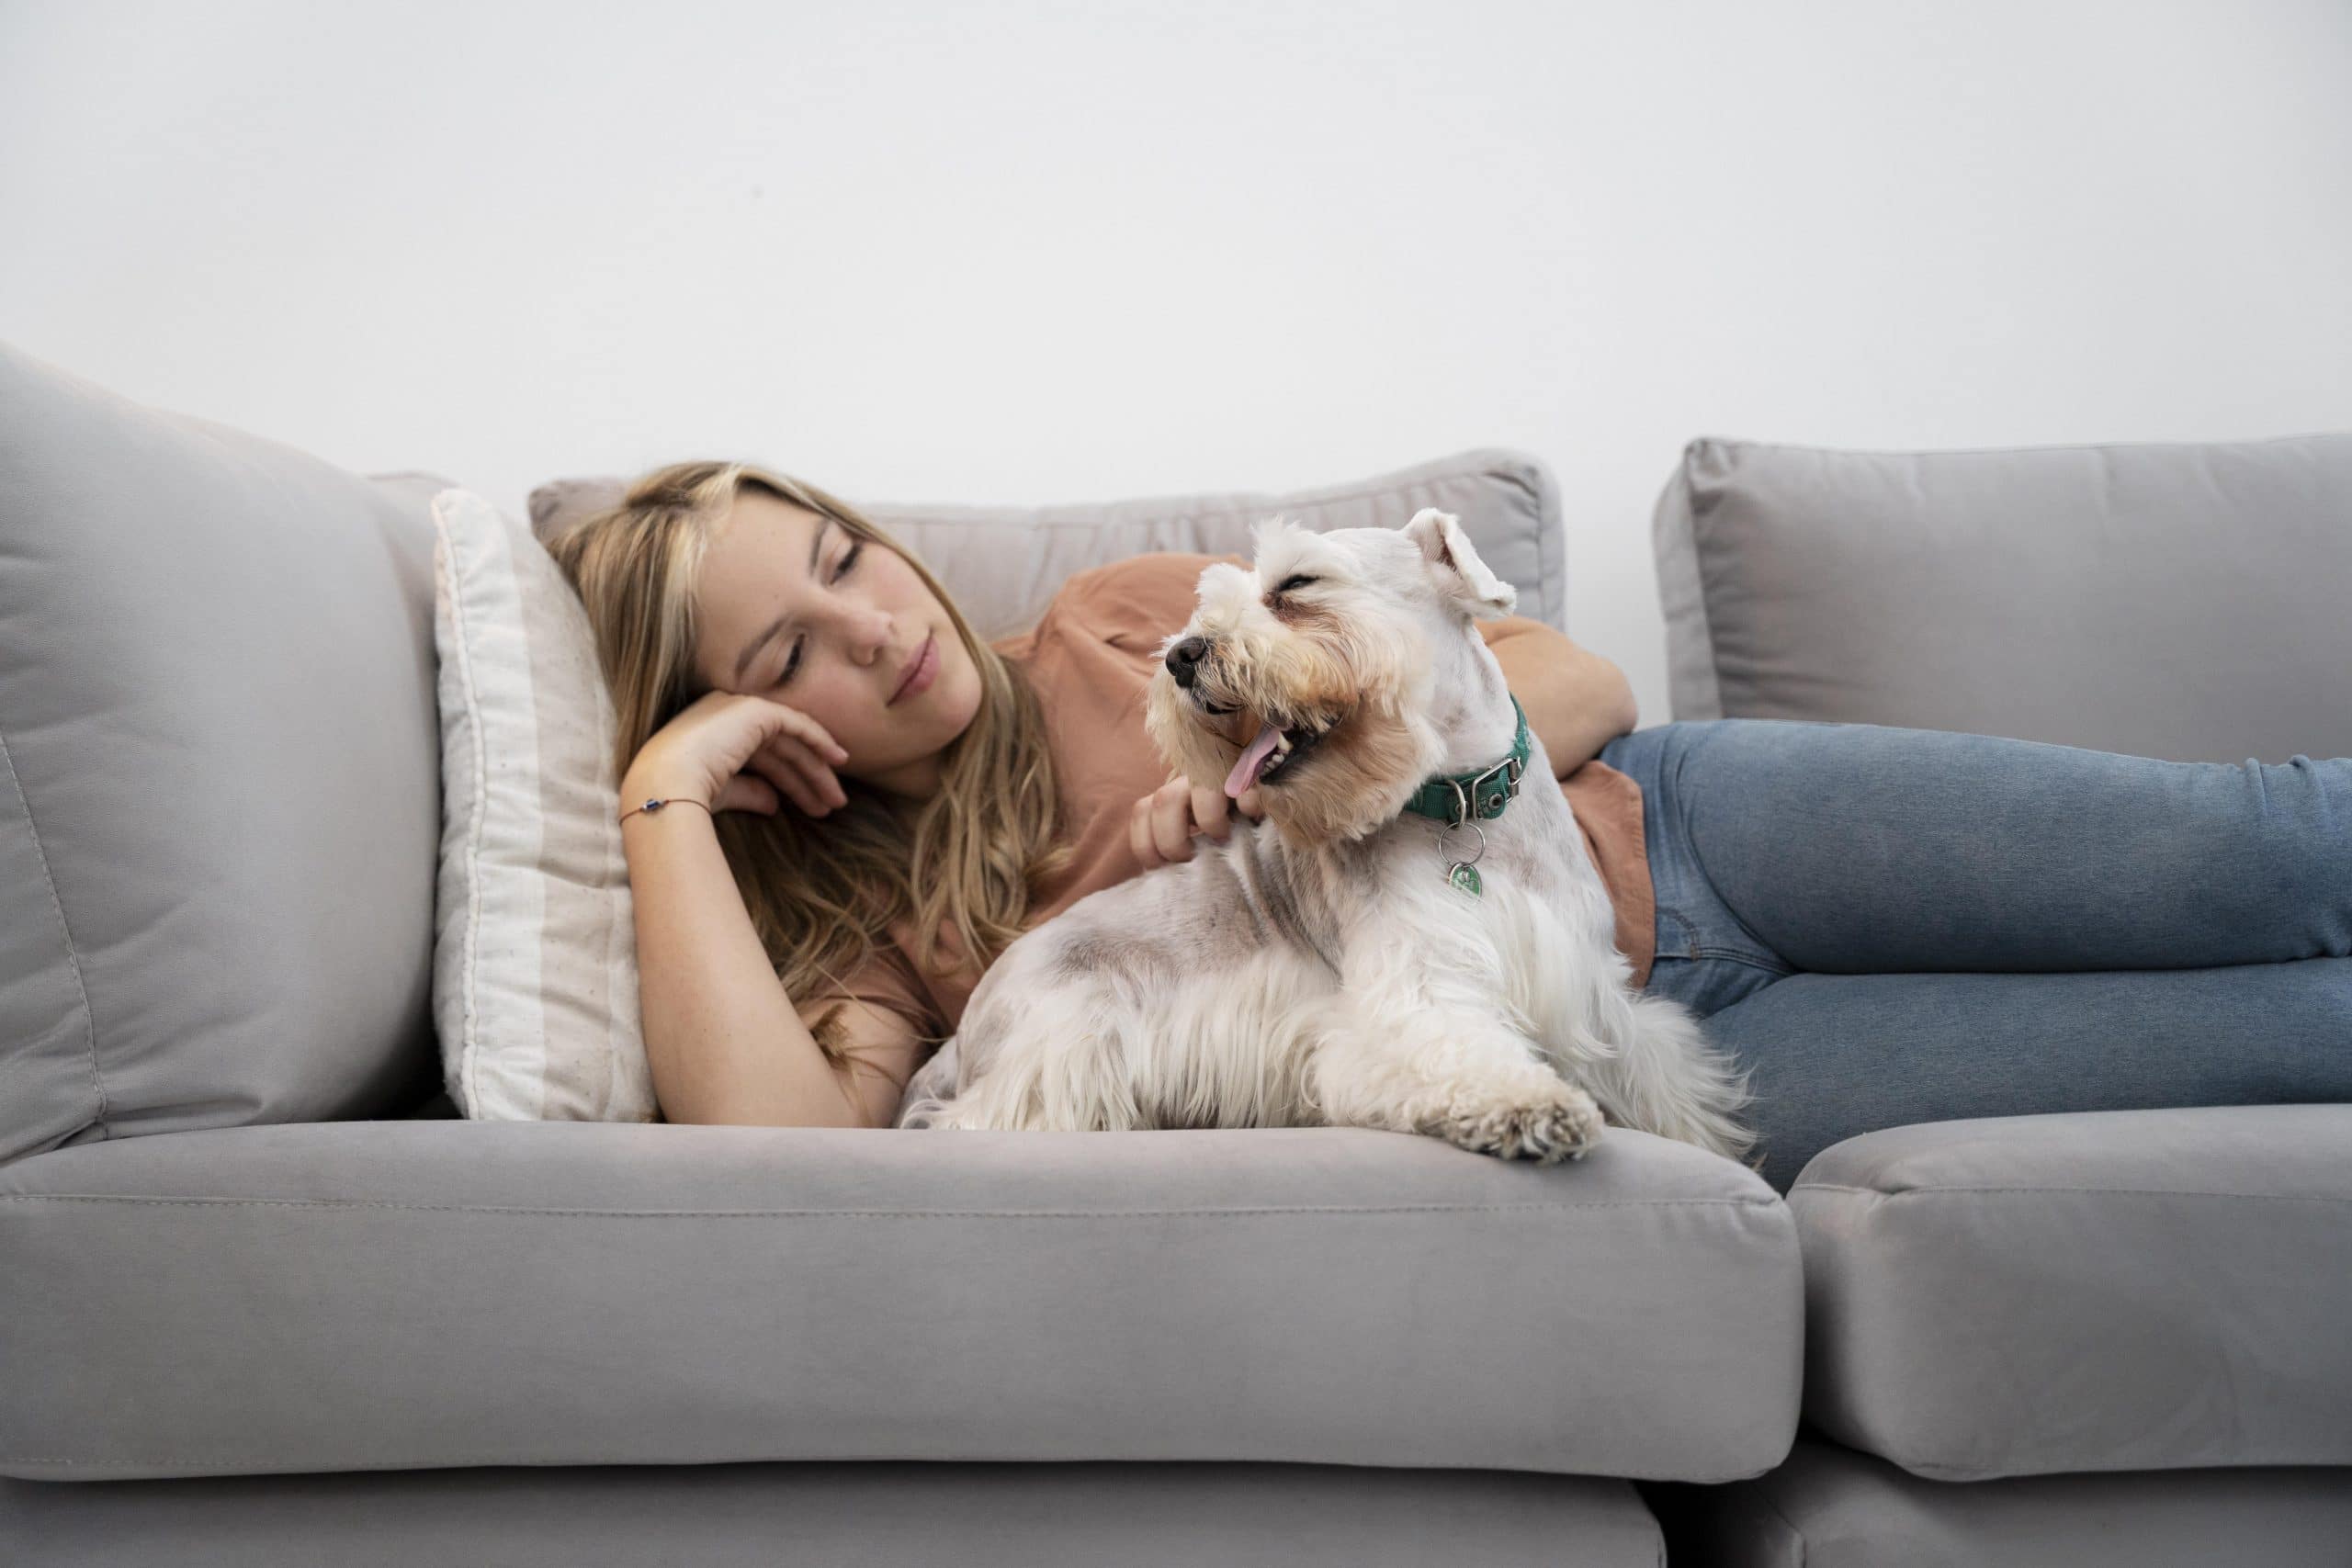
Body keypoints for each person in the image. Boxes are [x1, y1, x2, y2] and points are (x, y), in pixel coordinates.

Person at [548, 461, 2352, 1188]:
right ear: (762, 717)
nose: (875, 626)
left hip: (1689, 828)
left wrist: (1353, 770)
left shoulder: (1118, 615)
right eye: (793, 649)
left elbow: (1569, 681)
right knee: (2286, 1039)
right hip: (1658, 1026)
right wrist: (664, 795)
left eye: (846, 555)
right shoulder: (899, 936)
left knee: (2254, 851)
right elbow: (765, 1147)